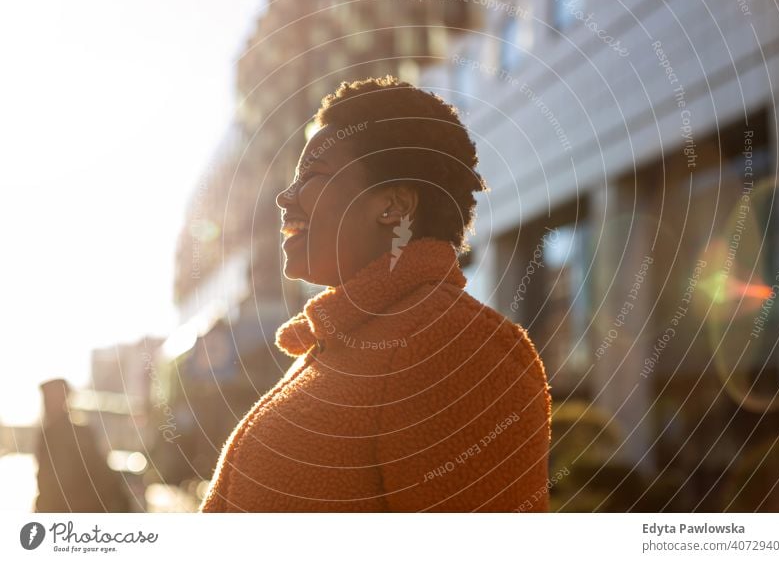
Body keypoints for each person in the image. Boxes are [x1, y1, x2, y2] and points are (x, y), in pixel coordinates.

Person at [201, 76, 551, 512]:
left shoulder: (456, 346)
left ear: (394, 206)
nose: (284, 199)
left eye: (313, 176)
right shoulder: (342, 344)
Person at [34, 379, 130, 512]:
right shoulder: (68, 432)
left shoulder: (62, 434)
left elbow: (56, 481)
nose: (46, 404)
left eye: (49, 398)